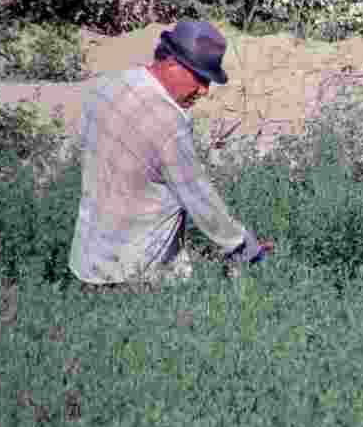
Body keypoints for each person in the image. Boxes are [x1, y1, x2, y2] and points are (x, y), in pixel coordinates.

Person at [69, 20, 273, 293]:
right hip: (137, 275)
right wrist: (245, 247)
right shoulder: (168, 121)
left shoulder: (107, 85)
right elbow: (198, 197)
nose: (204, 90)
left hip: (88, 262)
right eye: (200, 78)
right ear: (172, 63)